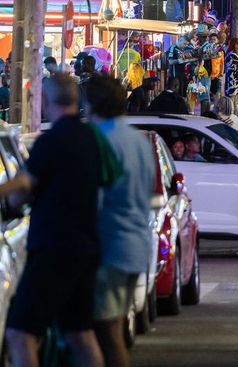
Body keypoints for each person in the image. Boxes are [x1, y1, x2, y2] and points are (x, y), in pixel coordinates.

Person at [0, 74, 113, 367]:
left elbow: (21, 188)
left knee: (19, 334)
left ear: (46, 101)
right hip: (86, 248)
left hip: (53, 250)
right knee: (81, 335)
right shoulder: (93, 139)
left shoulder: (52, 141)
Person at [85, 75, 155, 367]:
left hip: (111, 246)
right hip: (136, 244)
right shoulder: (138, 140)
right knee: (111, 331)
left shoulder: (101, 139)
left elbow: (94, 197)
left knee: (108, 333)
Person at [224, 37, 238, 107]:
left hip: (233, 77)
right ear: (234, 45)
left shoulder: (231, 53)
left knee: (235, 96)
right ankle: (232, 112)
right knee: (232, 96)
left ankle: (234, 112)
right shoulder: (233, 54)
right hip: (232, 77)